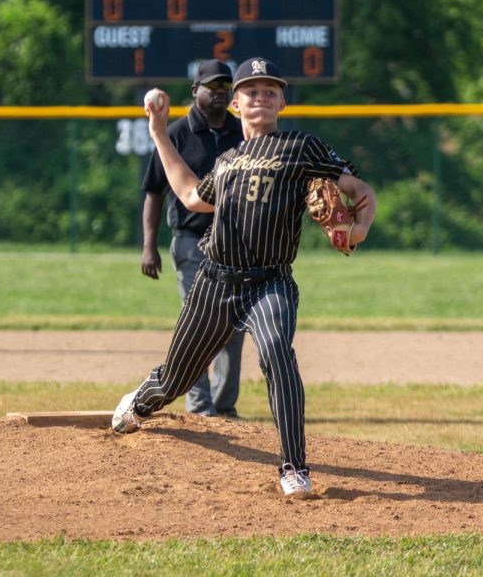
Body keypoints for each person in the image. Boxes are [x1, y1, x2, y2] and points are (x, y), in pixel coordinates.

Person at [113, 57, 377, 498]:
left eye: (270, 91)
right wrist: (159, 132)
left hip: (270, 282)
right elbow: (191, 196)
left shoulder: (302, 147)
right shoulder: (228, 159)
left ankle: (294, 467)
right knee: (176, 378)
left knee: (277, 353)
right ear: (236, 104)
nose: (261, 97)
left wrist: (359, 227)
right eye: (251, 91)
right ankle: (141, 402)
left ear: (282, 103)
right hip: (215, 283)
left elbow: (361, 192)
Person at [141, 59, 246, 418]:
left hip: (236, 244)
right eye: (211, 87)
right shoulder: (177, 134)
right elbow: (154, 192)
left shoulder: (244, 133)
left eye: (225, 87)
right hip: (191, 241)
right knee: (200, 321)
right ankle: (200, 405)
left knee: (233, 325)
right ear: (194, 91)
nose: (219, 93)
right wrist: (148, 246)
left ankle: (224, 405)